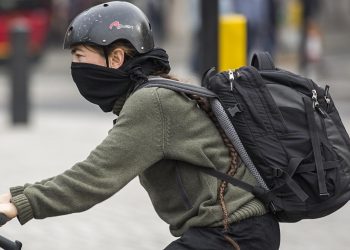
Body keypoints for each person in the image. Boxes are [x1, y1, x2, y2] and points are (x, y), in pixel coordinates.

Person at [0, 2, 280, 249]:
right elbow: (95, 168)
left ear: (117, 57)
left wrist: (22, 204)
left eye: (80, 57)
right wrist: (14, 196)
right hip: (231, 231)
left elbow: (95, 177)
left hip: (235, 233)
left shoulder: (152, 102)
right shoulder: (154, 92)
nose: (75, 67)